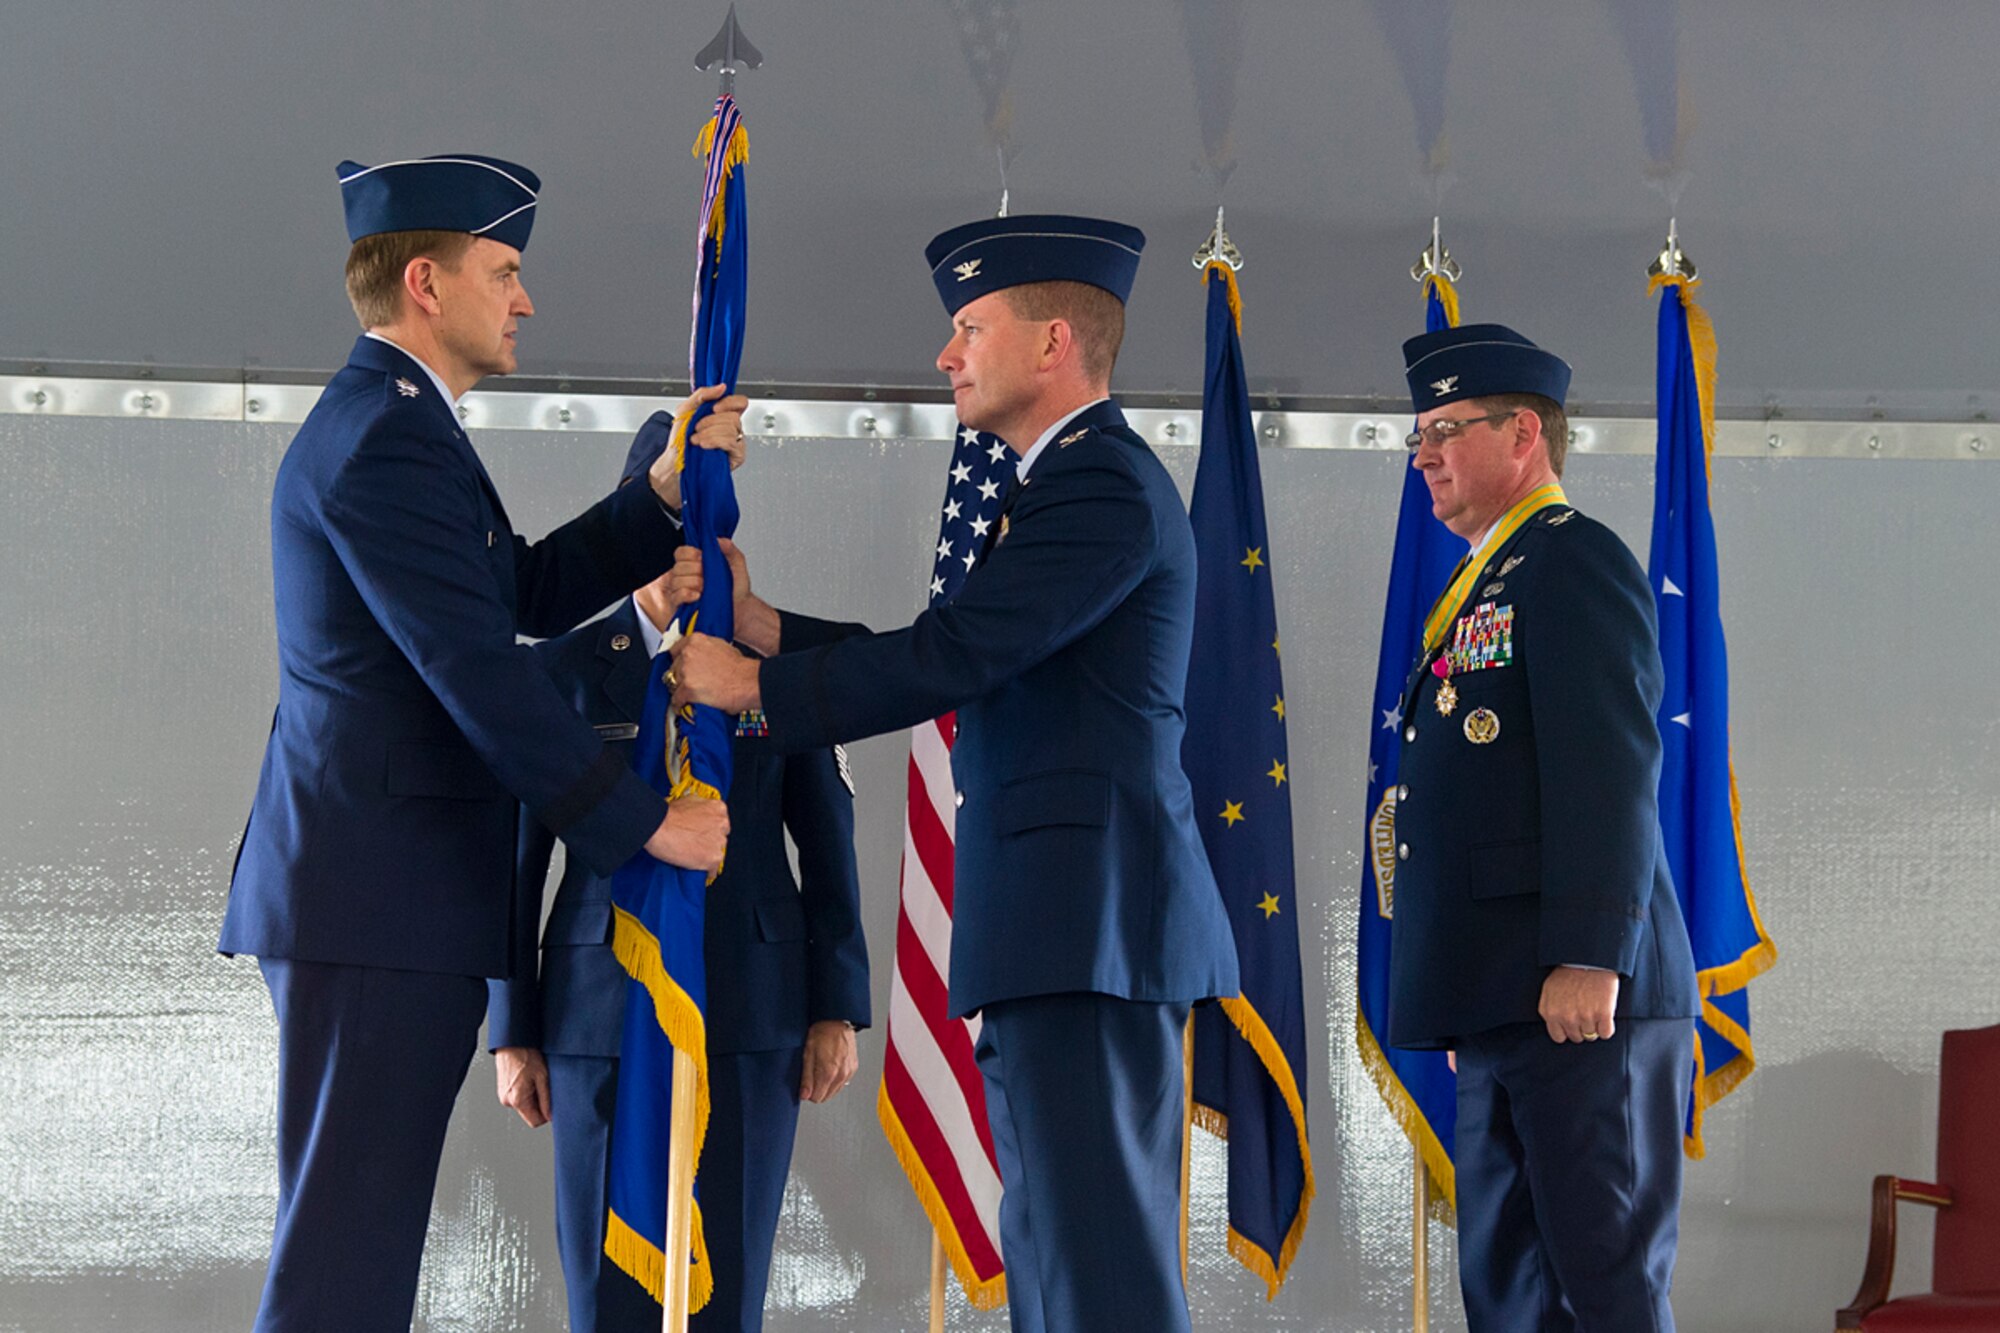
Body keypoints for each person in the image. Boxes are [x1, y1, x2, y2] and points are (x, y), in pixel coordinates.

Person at [668, 215, 1239, 1333]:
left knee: (1099, 1271)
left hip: (1093, 932)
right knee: (1054, 1264)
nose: (945, 355)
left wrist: (747, 686)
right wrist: (769, 628)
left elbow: (958, 654)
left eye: (969, 327)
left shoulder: (1100, 486)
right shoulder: (1059, 486)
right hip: (1059, 934)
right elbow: (966, 646)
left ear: (1052, 343)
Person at [217, 153, 742, 1333]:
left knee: (356, 1249)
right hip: (370, 903)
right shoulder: (386, 440)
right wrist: (641, 817)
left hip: (376, 901)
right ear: (425, 282)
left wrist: (655, 493)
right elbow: (477, 672)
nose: (525, 299)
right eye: (505, 271)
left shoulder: (401, 428)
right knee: (342, 1262)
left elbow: (515, 589)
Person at [485, 426, 871, 1333]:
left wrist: (833, 1007)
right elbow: (514, 863)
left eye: (713, 523)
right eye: (678, 522)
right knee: (603, 1287)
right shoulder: (563, 672)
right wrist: (514, 1028)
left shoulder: (774, 668)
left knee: (728, 1286)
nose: (700, 548)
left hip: (751, 1013)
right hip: (595, 1019)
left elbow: (827, 841)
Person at [1385, 322, 1701, 1330]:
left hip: (1578, 997)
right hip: (1503, 998)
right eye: (1416, 434)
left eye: (1444, 428)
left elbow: (1606, 764)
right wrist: (1463, 993)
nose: (1424, 454)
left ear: (1522, 433)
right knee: (1512, 1294)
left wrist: (1586, 953)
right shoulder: (1485, 577)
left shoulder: (1569, 562)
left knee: (1599, 1282)